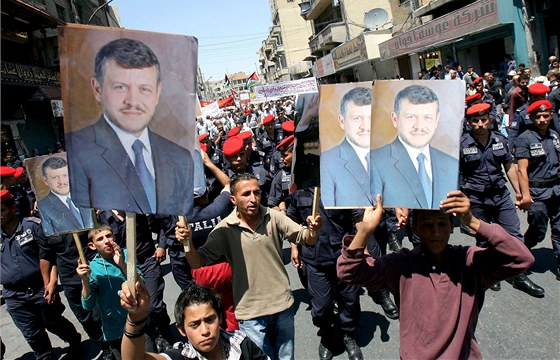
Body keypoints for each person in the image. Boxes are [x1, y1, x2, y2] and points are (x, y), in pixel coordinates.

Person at [337, 191, 535, 359]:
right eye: (427, 225)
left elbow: (522, 258)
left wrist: (474, 221)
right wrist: (364, 231)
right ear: (415, 229)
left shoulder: (470, 260)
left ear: (452, 226)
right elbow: (349, 271)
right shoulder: (401, 264)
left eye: (442, 224)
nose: (436, 233)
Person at [175, 173, 321, 360]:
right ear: (233, 199)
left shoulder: (273, 217)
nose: (253, 199)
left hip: (281, 305)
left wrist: (313, 230)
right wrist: (187, 243)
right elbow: (198, 262)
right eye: (246, 194)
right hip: (250, 313)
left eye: (257, 192)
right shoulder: (224, 229)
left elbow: (306, 238)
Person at [65, 38, 193, 216]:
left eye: (144, 89)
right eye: (120, 87)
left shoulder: (180, 157)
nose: (133, 101)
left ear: (157, 93)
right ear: (97, 89)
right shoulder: (78, 154)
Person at [460, 103, 545, 296]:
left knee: (514, 234)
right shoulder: (462, 144)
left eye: (483, 120)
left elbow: (509, 167)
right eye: (475, 121)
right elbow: (457, 174)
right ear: (469, 122)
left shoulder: (499, 139)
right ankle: (490, 272)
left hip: (500, 195)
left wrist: (520, 192)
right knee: (483, 239)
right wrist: (463, 201)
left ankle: (518, 274)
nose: (480, 124)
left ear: (489, 120)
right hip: (476, 197)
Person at [1, 190, 82, 360]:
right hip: (13, 295)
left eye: (2, 210)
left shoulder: (32, 226)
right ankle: (45, 356)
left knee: (52, 322)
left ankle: (74, 339)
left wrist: (52, 282)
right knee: (32, 333)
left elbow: (51, 256)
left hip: (40, 287)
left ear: (13, 208)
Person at [119, 280, 268, 360]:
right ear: (181, 329)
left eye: (210, 320)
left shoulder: (242, 344)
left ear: (220, 318)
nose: (205, 331)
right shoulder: (181, 356)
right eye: (194, 324)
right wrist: (136, 318)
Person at [369, 85, 458, 209]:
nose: (419, 126)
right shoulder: (374, 161)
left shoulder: (451, 164)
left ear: (436, 120)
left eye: (427, 117)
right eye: (411, 117)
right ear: (395, 119)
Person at [77, 225, 154, 359]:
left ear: (114, 237)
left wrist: (122, 264)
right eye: (100, 239)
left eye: (108, 236)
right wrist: (84, 281)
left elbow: (140, 285)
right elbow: (87, 305)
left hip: (139, 323)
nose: (106, 241)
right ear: (92, 245)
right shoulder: (92, 268)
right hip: (115, 331)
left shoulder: (126, 254)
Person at [515, 100, 560, 280]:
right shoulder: (524, 138)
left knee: (559, 228)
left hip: (557, 189)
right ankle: (521, 255)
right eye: (538, 117)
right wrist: (525, 195)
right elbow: (522, 170)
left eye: (545, 116)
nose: (542, 120)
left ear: (551, 116)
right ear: (531, 118)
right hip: (538, 192)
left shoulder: (555, 136)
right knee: (538, 230)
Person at [321, 87, 373, 207]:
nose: (365, 126)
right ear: (342, 121)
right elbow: (330, 212)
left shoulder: (391, 156)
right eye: (356, 118)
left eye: (370, 118)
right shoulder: (328, 162)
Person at [37, 156, 94, 235]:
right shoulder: (43, 206)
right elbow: (50, 238)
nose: (62, 182)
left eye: (65, 175)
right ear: (45, 181)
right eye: (55, 177)